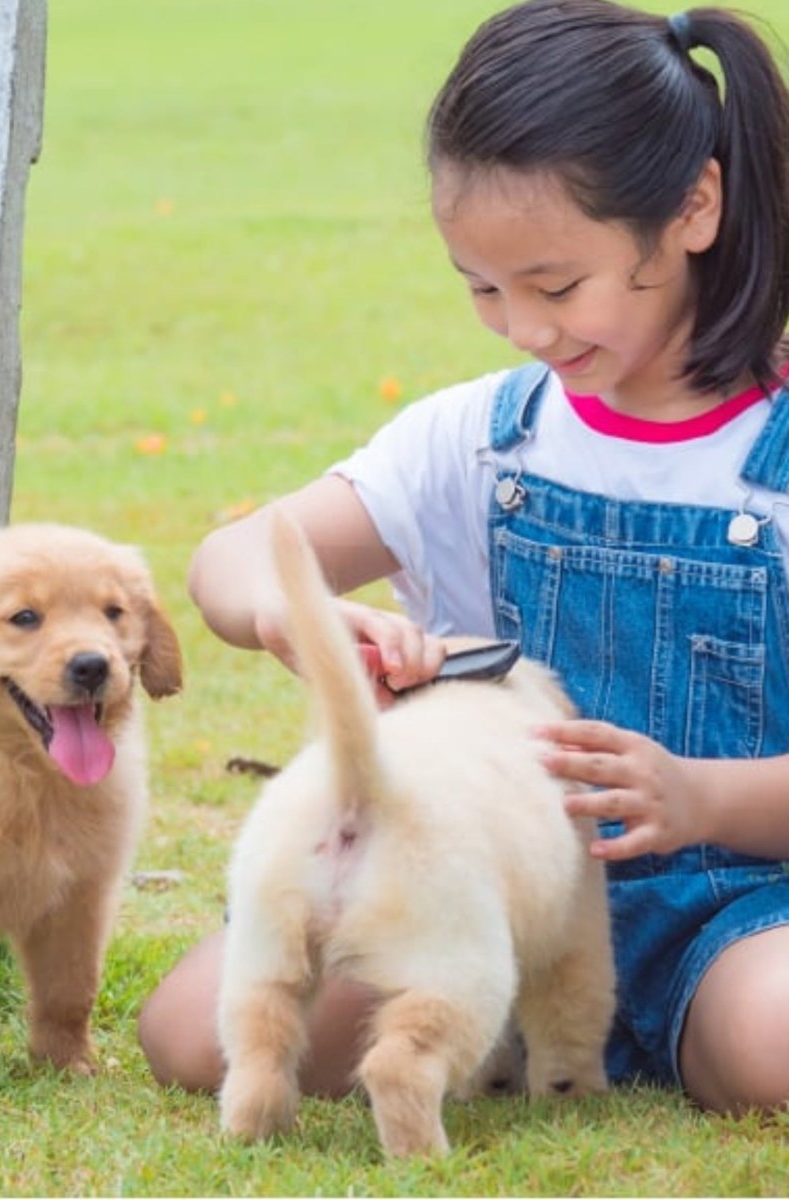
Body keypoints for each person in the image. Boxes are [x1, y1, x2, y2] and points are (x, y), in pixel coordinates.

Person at [138, 0, 789, 1115]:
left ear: (695, 207)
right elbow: (236, 554)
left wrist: (701, 796)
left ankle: (650, 1034)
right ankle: (487, 1031)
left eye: (555, 284)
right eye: (482, 287)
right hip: (472, 891)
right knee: (195, 1036)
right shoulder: (484, 439)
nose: (523, 327)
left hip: (737, 905)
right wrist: (288, 614)